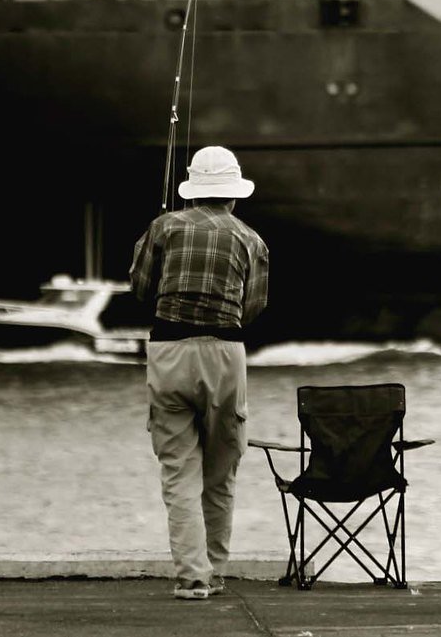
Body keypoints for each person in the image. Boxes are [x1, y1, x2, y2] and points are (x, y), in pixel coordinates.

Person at [130, 145, 271, 600]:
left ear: (191, 191)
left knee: (178, 472)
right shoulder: (252, 240)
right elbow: (252, 309)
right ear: (233, 195)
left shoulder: (163, 227)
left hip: (168, 352)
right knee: (221, 470)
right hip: (225, 355)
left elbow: (140, 289)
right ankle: (217, 570)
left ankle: (192, 578)